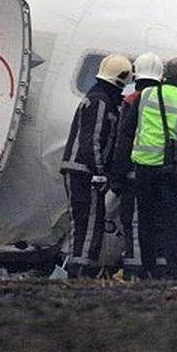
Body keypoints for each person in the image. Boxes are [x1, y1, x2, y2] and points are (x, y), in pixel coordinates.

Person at [128, 57, 177, 279]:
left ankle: (147, 270)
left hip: (144, 166)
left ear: (164, 75)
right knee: (171, 224)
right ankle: (171, 272)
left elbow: (129, 128)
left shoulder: (145, 95)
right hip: (171, 169)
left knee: (145, 221)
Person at [59, 53, 131, 278]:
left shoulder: (96, 97)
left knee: (85, 220)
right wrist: (99, 171)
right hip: (85, 171)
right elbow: (93, 139)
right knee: (89, 221)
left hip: (80, 170)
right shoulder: (100, 102)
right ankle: (81, 270)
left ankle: (79, 267)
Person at [110, 52, 164, 279]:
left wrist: (116, 176)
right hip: (163, 174)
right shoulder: (167, 100)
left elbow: (124, 139)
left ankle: (134, 271)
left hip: (135, 173)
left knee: (133, 223)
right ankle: (158, 271)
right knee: (159, 224)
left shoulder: (133, 101)